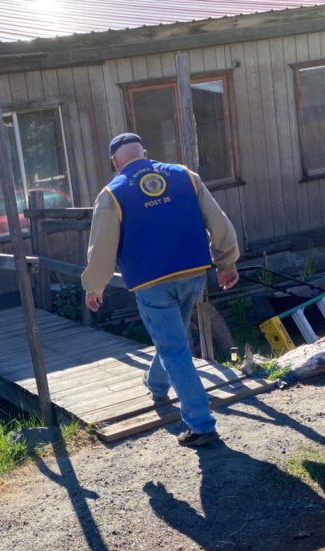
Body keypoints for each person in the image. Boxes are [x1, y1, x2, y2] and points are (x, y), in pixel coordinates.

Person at [81, 133, 240, 447]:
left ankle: (201, 424)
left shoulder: (112, 193)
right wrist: (227, 261)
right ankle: (156, 384)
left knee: (175, 348)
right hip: (193, 273)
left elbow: (101, 247)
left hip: (151, 282)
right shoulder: (184, 176)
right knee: (174, 336)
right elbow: (217, 220)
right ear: (145, 153)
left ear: (115, 162)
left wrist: (93, 286)